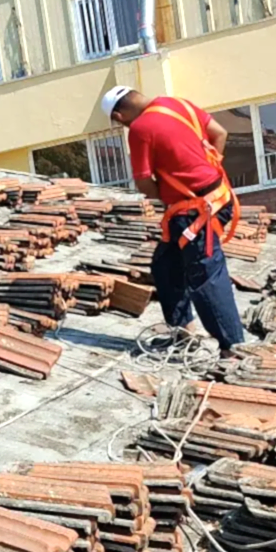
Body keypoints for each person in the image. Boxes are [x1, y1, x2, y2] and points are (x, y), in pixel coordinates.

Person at [101, 86, 245, 355]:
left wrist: (173, 198)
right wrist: (207, 172)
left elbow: (144, 183)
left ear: (119, 116)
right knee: (165, 266)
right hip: (220, 197)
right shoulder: (179, 104)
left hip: (195, 214)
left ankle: (233, 349)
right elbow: (220, 133)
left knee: (206, 277)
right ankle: (183, 333)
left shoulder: (140, 130)